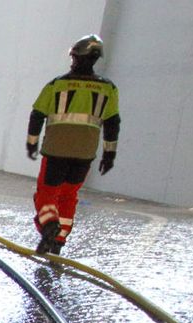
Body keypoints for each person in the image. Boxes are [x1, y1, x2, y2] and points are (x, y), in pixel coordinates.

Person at [26, 34, 121, 255]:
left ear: (76, 57)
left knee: (46, 194)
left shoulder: (57, 85)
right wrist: (109, 154)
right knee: (69, 196)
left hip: (56, 149)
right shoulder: (108, 88)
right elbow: (112, 123)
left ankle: (49, 226)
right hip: (85, 153)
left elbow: (37, 114)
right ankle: (58, 240)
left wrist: (32, 142)